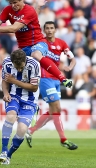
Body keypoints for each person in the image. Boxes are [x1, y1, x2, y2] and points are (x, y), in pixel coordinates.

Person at [0, 0, 72, 88]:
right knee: (15, 71)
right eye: (11, 3)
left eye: (15, 2)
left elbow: (14, 28)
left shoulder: (29, 10)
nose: (13, 5)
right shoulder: (7, 9)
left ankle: (63, 79)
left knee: (36, 54)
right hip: (23, 48)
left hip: (38, 43)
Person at [25, 21, 78, 150]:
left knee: (55, 111)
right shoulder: (42, 44)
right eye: (47, 28)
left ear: (55, 29)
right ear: (44, 30)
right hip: (45, 79)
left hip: (56, 80)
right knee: (56, 109)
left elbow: (73, 58)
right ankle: (63, 139)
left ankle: (31, 130)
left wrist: (70, 67)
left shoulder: (62, 43)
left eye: (51, 28)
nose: (49, 30)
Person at [0, 49, 40, 165]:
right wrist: (5, 93)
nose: (19, 69)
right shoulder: (6, 63)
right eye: (17, 67)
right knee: (11, 116)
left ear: (25, 60)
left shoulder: (34, 64)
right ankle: (3, 151)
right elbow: (5, 81)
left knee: (22, 129)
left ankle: (9, 155)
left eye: (21, 67)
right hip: (14, 95)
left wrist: (14, 80)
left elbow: (34, 88)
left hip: (30, 100)